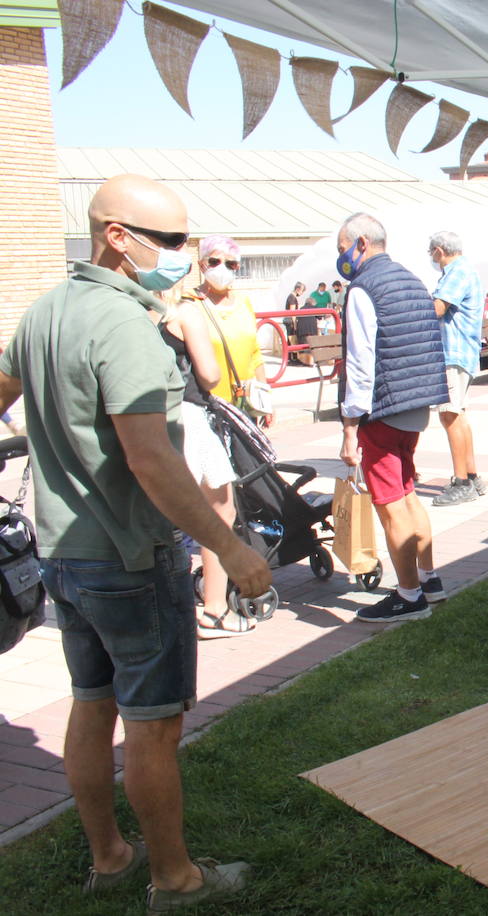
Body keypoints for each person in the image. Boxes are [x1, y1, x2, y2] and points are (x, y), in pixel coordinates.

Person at [0, 174, 268, 907]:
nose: (183, 254)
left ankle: (110, 856)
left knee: (92, 705)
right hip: (127, 556)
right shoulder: (125, 326)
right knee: (152, 728)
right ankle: (175, 878)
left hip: (63, 557)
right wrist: (233, 547)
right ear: (116, 236)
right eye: (175, 241)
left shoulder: (43, 313)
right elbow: (153, 460)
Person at [336, 212, 451, 621]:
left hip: (382, 409)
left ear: (360, 243)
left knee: (390, 505)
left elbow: (360, 361)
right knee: (407, 493)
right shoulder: (412, 279)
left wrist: (350, 425)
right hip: (416, 403)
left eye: (342, 249)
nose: (342, 258)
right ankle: (429, 578)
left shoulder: (362, 288)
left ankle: (409, 596)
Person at [159, 277, 254, 638]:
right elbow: (211, 375)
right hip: (190, 416)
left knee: (164, 518)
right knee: (219, 513)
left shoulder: (132, 315)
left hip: (148, 420)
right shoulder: (184, 313)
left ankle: (169, 608)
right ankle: (214, 610)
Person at [183, 236, 273, 426]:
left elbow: (255, 353)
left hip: (244, 405)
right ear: (201, 264)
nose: (222, 268)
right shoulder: (189, 304)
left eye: (230, 264)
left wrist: (266, 396)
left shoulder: (243, 302)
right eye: (214, 262)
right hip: (208, 406)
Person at [428, 230, 488, 507]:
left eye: (431, 253)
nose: (431, 258)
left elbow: (438, 308)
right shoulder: (465, 270)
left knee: (449, 415)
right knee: (458, 415)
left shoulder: (456, 272)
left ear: (439, 251)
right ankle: (471, 475)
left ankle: (462, 481)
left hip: (454, 352)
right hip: (463, 351)